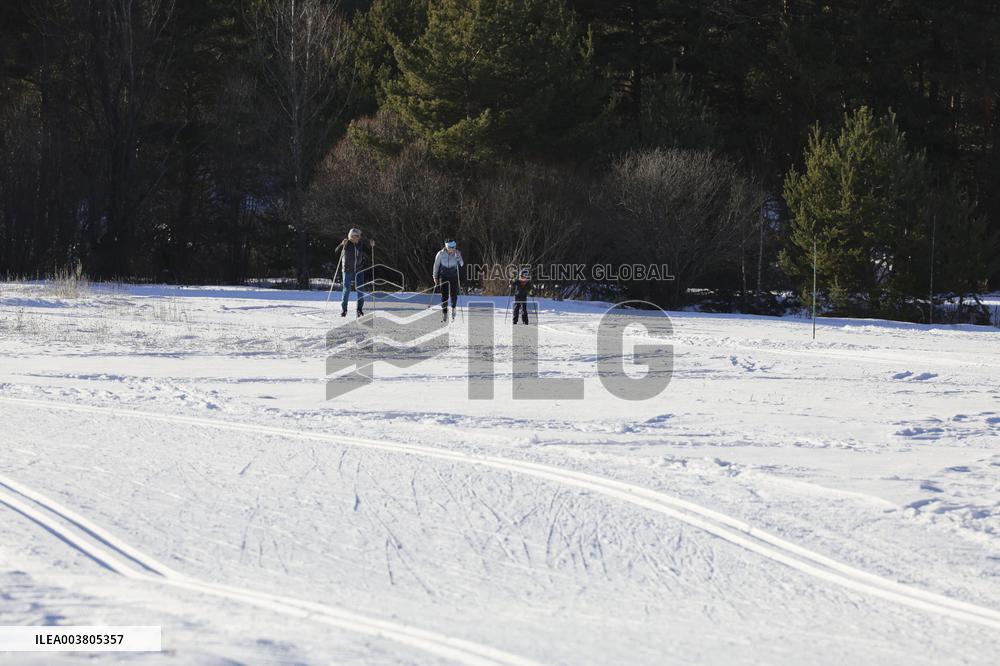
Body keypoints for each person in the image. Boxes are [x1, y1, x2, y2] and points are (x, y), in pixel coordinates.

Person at [338, 228, 375, 317]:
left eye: (359, 236)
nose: (359, 237)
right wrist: (341, 245)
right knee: (347, 290)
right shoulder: (347, 244)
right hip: (347, 270)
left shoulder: (360, 244)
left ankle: (359, 310)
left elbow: (369, 252)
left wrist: (371, 246)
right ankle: (344, 309)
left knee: (360, 290)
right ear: (352, 236)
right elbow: (336, 251)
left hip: (359, 270)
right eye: (357, 236)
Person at [432, 239, 463, 321]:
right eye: (450, 247)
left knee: (453, 294)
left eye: (454, 247)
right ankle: (444, 312)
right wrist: (435, 277)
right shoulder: (440, 254)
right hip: (444, 275)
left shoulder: (457, 253)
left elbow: (462, 264)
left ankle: (453, 308)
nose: (452, 249)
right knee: (444, 295)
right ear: (446, 247)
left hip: (453, 275)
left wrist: (459, 257)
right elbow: (436, 266)